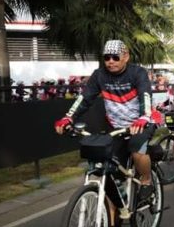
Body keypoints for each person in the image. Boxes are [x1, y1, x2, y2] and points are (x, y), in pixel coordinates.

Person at [54, 40, 157, 204]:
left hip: (141, 123)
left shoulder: (137, 73)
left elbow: (145, 94)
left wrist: (144, 116)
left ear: (126, 57)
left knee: (137, 151)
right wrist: (68, 117)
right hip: (115, 126)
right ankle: (113, 216)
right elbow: (85, 98)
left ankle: (146, 180)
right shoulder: (99, 75)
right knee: (107, 168)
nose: (110, 61)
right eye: (107, 57)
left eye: (115, 57)